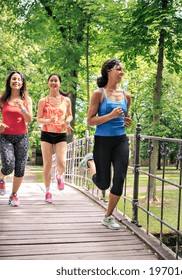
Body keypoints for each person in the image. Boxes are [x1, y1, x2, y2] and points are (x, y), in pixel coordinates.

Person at [79, 59, 132, 230]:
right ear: (108, 71)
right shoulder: (98, 94)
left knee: (119, 179)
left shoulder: (126, 96)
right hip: (102, 141)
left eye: (123, 69)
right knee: (103, 184)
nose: (122, 72)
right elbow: (90, 120)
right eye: (118, 69)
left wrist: (126, 120)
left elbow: (123, 118)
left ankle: (108, 216)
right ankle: (90, 161)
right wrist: (110, 115)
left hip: (121, 140)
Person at [0, 70, 33, 207]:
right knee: (8, 165)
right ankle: (1, 177)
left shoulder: (26, 99)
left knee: (20, 168)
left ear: (22, 83)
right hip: (5, 137)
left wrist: (22, 108)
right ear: (9, 81)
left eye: (19, 79)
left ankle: (14, 195)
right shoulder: (1, 98)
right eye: (14, 79)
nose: (16, 81)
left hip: (22, 137)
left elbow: (30, 119)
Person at [37, 73, 73, 203]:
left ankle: (59, 175)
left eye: (56, 81)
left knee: (61, 162)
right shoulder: (42, 101)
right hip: (46, 134)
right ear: (48, 83)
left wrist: (67, 122)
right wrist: (48, 120)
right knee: (47, 165)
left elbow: (70, 115)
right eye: (51, 80)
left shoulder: (66, 100)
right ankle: (47, 191)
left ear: (59, 84)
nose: (53, 83)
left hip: (61, 134)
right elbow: (38, 119)